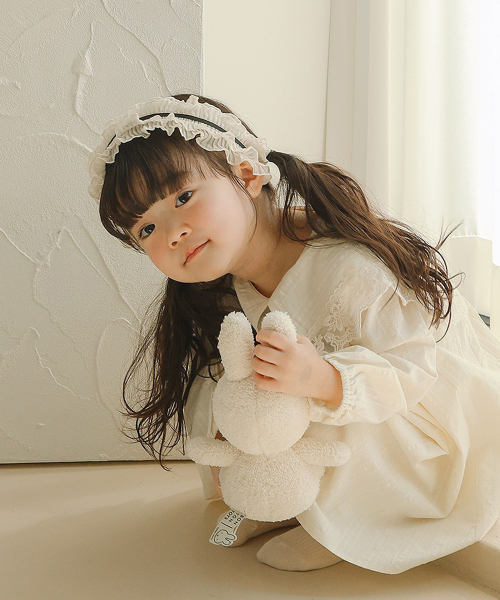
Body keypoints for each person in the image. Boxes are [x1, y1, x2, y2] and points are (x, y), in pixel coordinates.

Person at [88, 93, 500, 574]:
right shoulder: (228, 286)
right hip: (348, 419)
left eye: (183, 198)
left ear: (247, 174)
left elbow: (412, 374)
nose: (172, 233)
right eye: (146, 230)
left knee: (301, 392)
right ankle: (279, 500)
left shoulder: (349, 267)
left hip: (431, 434)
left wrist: (323, 379)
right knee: (233, 389)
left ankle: (345, 524)